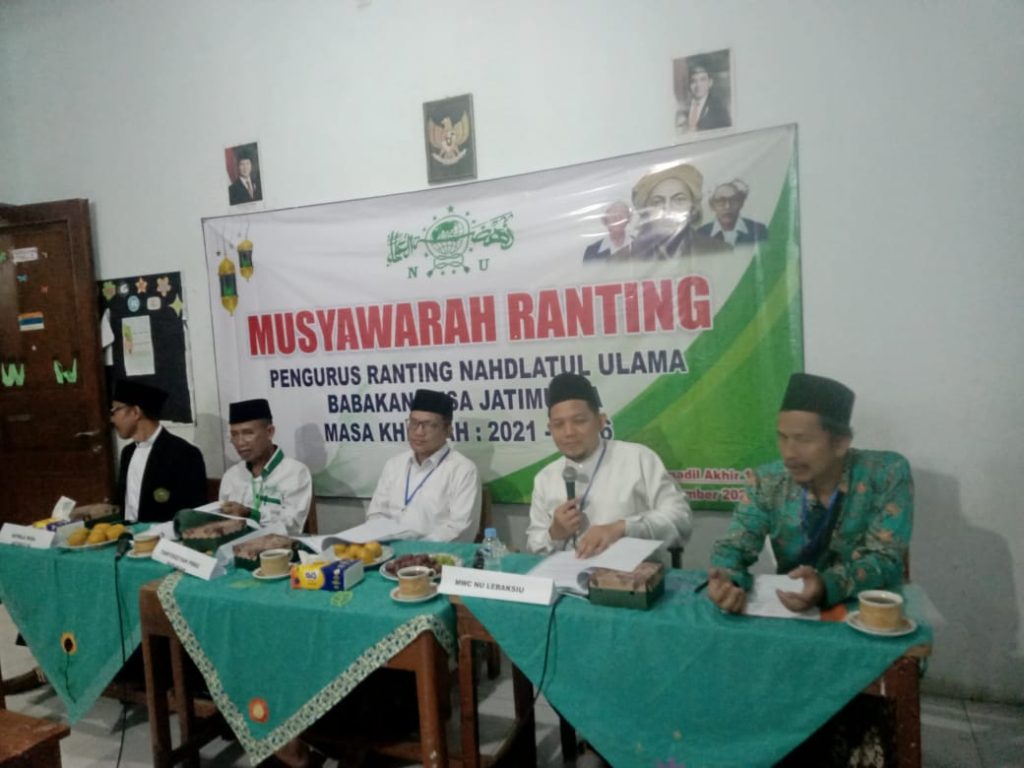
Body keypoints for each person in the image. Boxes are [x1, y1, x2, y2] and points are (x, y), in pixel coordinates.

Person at [708, 373, 913, 614]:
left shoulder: (886, 474)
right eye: (782, 437)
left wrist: (826, 585)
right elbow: (734, 546)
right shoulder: (767, 481)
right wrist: (727, 580)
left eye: (802, 439)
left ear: (840, 443)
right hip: (795, 606)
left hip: (871, 608)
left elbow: (887, 559)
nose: (789, 453)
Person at [526, 373, 691, 561]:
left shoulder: (638, 459)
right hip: (566, 576)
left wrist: (623, 528)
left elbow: (681, 520)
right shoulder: (545, 478)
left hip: (631, 575)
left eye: (579, 421)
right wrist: (554, 534)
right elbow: (534, 546)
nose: (569, 432)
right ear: (550, 429)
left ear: (601, 421)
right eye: (558, 425)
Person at [75, 379, 207, 523]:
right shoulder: (128, 453)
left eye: (115, 411)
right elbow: (123, 505)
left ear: (135, 412)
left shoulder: (184, 454)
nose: (112, 419)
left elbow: (193, 513)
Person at [366, 389, 481, 542]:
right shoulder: (394, 464)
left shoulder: (463, 470)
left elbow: (459, 530)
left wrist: (414, 549)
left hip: (435, 554)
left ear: (448, 430)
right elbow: (376, 514)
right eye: (414, 423)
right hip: (389, 550)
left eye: (429, 425)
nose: (419, 432)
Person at [219, 398, 312, 535]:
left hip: (279, 546)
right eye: (234, 435)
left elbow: (292, 526)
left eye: (248, 433)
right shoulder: (231, 475)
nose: (240, 442)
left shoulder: (295, 472)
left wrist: (251, 514)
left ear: (269, 432)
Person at [629, 163, 731, 259]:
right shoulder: (625, 258)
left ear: (693, 208)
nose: (668, 208)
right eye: (658, 202)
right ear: (646, 212)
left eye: (679, 200)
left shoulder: (721, 251)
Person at [696, 179, 769, 246]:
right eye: (721, 201)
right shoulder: (701, 234)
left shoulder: (759, 230)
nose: (727, 206)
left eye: (733, 200)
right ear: (713, 205)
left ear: (741, 204)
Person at [680, 62, 731, 132]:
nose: (698, 85)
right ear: (689, 84)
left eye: (702, 80)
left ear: (710, 83)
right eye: (693, 81)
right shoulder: (683, 107)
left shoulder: (718, 107)